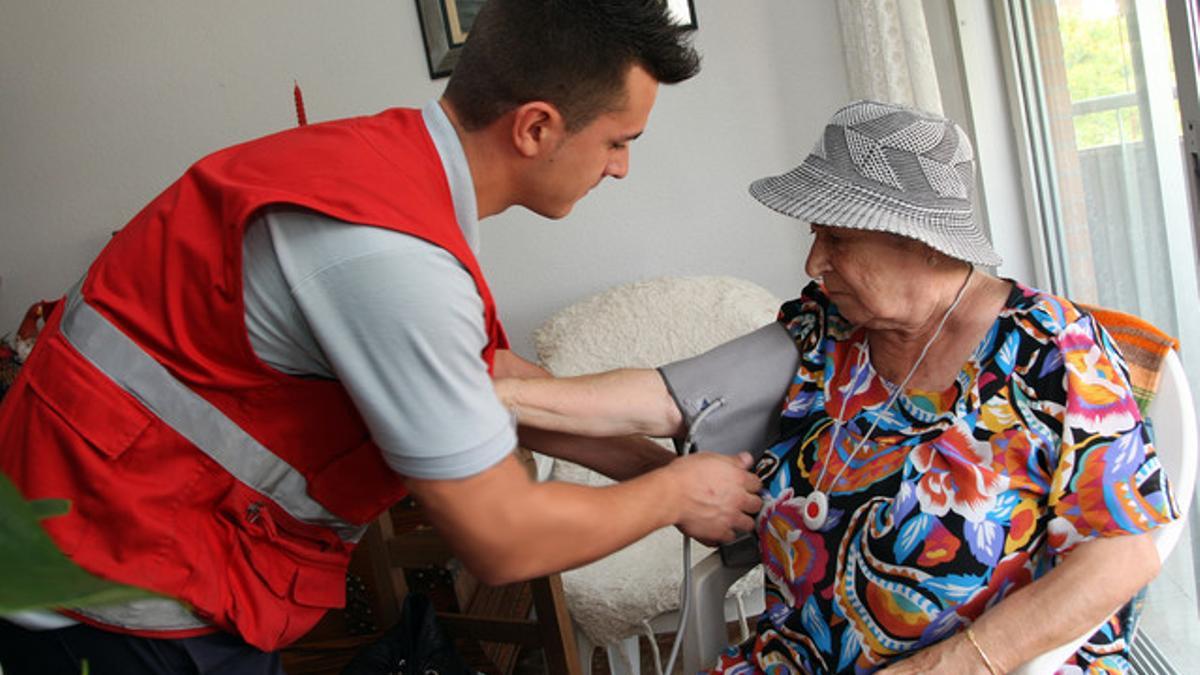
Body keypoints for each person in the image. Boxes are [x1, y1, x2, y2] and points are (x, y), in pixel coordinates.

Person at [0, 1, 764, 673]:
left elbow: (479, 376)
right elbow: (502, 539)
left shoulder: (386, 163)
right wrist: (673, 493)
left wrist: (643, 460)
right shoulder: (390, 261)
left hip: (96, 515)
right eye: (618, 140)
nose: (623, 167)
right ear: (536, 127)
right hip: (109, 570)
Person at [495, 100, 1178, 673]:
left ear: (925, 242)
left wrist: (946, 665)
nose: (813, 260)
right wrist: (504, 394)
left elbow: (1124, 550)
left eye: (836, 237)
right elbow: (668, 397)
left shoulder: (1054, 348)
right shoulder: (825, 330)